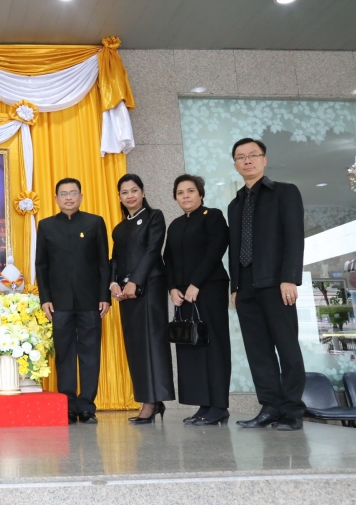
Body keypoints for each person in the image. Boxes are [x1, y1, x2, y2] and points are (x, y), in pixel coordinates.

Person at [228, 138, 306, 431]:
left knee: (287, 348)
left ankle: (293, 411)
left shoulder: (285, 193)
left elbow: (294, 237)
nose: (247, 160)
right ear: (235, 164)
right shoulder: (235, 204)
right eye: (240, 157)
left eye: (253, 155)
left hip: (276, 283)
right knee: (258, 352)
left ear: (264, 160)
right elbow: (234, 248)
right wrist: (235, 287)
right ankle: (270, 407)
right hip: (246, 287)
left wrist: (290, 278)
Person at [35, 178, 110, 425]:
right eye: (63, 194)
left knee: (90, 353)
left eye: (73, 193)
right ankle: (67, 405)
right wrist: (44, 299)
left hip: (90, 301)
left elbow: (103, 263)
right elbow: (42, 266)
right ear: (56, 198)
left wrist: (104, 296)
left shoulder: (94, 223)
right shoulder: (45, 226)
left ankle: (87, 406)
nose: (68, 197)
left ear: (81, 196)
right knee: (65, 353)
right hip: (59, 303)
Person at [164, 175, 231, 426]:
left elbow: (217, 249)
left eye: (190, 191)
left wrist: (196, 283)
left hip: (209, 288)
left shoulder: (212, 216)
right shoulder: (176, 224)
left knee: (214, 345)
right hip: (182, 294)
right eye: (180, 192)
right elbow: (167, 258)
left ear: (200, 193)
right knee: (192, 345)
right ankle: (204, 404)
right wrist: (172, 287)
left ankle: (219, 406)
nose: (186, 196)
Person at [110, 173, 175, 424]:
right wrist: (114, 283)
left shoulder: (154, 216)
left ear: (143, 192)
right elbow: (114, 259)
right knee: (136, 345)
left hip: (149, 287)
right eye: (125, 192)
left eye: (134, 190)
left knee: (152, 342)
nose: (130, 196)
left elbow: (152, 250)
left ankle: (152, 402)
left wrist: (135, 281)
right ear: (120, 197)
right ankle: (148, 399)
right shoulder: (119, 227)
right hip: (126, 293)